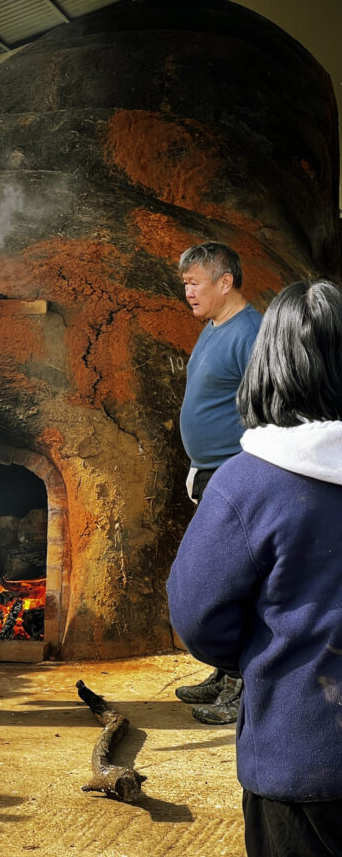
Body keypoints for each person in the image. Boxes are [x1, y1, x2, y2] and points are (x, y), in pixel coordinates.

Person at [167, 280, 342, 857]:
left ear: (269, 366)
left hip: (300, 759)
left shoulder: (248, 485)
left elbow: (196, 616)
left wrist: (257, 654)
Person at [174, 241, 261, 725]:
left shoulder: (252, 333)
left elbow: (267, 408)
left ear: (225, 282)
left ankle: (245, 687)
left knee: (239, 583)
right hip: (210, 471)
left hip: (234, 473)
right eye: (185, 282)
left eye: (195, 282)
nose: (187, 291)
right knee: (221, 582)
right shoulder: (214, 326)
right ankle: (225, 670)